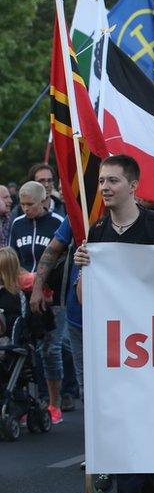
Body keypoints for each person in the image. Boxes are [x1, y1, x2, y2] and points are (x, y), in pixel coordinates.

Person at [72, 154, 154, 493]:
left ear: (133, 186)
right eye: (102, 180)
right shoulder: (98, 234)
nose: (104, 187)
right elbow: (85, 299)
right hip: (117, 349)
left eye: (113, 181)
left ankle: (149, 492)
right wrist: (83, 269)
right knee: (125, 420)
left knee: (146, 420)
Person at [10, 180, 65, 424]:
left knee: (51, 349)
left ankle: (55, 402)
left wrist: (43, 284)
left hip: (51, 295)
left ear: (43, 201)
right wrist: (24, 279)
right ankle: (28, 402)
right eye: (22, 204)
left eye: (30, 204)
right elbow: (12, 257)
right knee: (26, 349)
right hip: (24, 293)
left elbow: (61, 258)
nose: (25, 209)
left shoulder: (57, 223)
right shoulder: (18, 224)